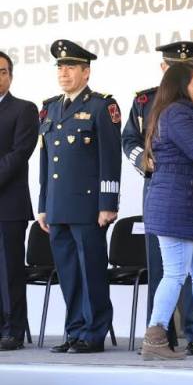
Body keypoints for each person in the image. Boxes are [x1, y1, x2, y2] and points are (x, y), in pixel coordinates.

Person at [121, 41, 193, 355]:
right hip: (175, 205)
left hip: (192, 203)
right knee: (173, 274)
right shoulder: (176, 112)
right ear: (181, 84)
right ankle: (156, 338)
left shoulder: (185, 108)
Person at [37, 40, 121, 354]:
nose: (63, 72)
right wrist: (43, 205)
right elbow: (46, 163)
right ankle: (74, 331)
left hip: (88, 208)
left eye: (70, 67)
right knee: (69, 275)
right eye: (60, 67)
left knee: (92, 273)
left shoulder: (101, 106)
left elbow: (110, 158)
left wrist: (107, 204)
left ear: (86, 72)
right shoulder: (50, 108)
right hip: (58, 207)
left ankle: (93, 333)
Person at [0, 51, 38, 351]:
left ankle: (13, 330)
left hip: (8, 206)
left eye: (2, 71)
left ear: (10, 76)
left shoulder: (24, 109)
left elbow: (19, 153)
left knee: (9, 272)